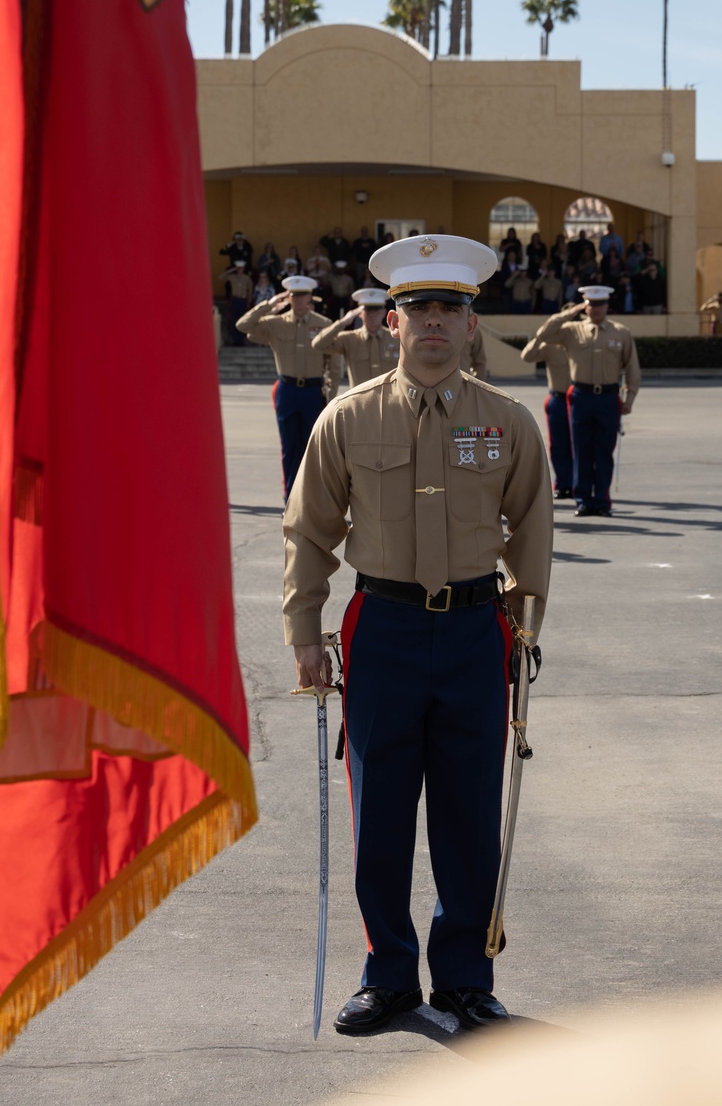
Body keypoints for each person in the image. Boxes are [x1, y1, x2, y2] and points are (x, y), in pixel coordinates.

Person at [283, 234, 553, 1035]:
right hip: (385, 630)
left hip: (476, 632)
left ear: (471, 325)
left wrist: (525, 624)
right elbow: (309, 530)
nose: (433, 322)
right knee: (383, 814)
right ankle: (390, 975)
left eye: (450, 308)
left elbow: (532, 528)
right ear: (391, 323)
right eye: (417, 308)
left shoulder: (508, 423)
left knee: (470, 817)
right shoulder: (346, 419)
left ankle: (465, 978)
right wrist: (305, 629)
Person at [534, 285, 641, 517]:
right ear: (584, 305)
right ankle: (582, 500)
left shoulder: (620, 332)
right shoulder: (572, 330)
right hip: (581, 395)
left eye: (600, 304)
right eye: (590, 304)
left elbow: (632, 368)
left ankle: (601, 500)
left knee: (604, 450)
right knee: (580, 449)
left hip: (608, 397)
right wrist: (569, 313)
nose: (595, 309)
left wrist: (629, 397)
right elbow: (543, 334)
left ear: (607, 306)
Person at [237, 274, 332, 500]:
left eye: (302, 295)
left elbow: (332, 361)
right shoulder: (275, 323)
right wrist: (268, 305)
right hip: (287, 390)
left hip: (312, 391)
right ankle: (291, 498)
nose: (298, 300)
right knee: (289, 447)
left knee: (313, 448)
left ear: (310, 297)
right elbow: (243, 326)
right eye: (293, 296)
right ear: (287, 297)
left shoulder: (324, 324)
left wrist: (333, 391)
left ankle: (311, 499)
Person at [520, 314, 582, 500]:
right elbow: (527, 356)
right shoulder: (550, 346)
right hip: (559, 399)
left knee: (581, 445)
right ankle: (563, 484)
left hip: (580, 399)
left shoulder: (584, 345)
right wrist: (540, 337)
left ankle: (580, 485)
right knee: (558, 445)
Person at [311, 287, 400, 387]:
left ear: (384, 312)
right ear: (360, 314)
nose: (372, 315)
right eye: (368, 310)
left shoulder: (396, 337)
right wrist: (342, 323)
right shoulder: (349, 338)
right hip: (360, 401)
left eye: (376, 310)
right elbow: (318, 345)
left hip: (390, 399)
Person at [223, 260, 253, 346]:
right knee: (234, 319)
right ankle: (235, 340)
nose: (240, 270)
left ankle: (242, 339)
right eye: (238, 268)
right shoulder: (232, 277)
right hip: (235, 300)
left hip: (243, 300)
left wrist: (249, 300)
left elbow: (250, 289)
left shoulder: (247, 278)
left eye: (241, 268)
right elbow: (221, 278)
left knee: (242, 319)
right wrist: (231, 270)